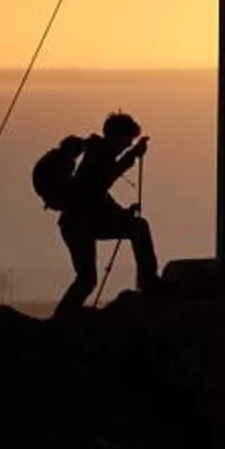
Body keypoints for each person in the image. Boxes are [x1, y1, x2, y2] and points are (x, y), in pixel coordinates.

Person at [55, 111, 156, 315]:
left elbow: (100, 193)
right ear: (116, 136)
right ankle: (62, 319)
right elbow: (102, 181)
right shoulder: (98, 154)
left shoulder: (100, 154)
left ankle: (149, 282)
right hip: (78, 224)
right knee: (87, 279)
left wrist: (122, 214)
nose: (128, 144)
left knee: (137, 226)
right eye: (127, 140)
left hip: (85, 222)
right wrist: (132, 156)